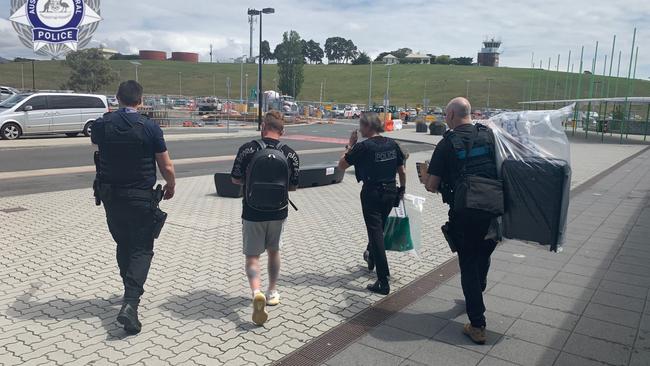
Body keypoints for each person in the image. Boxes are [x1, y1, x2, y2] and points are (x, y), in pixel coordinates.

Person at [92, 80, 176, 335]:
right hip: (140, 198)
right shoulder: (149, 127)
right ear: (140, 101)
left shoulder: (101, 125)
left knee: (124, 244)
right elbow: (166, 165)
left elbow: (99, 149)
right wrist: (171, 185)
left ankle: (128, 289)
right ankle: (130, 303)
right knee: (142, 249)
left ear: (117, 98)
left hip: (111, 198)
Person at [423, 97, 500, 345]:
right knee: (483, 255)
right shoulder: (489, 136)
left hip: (465, 213)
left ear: (453, 115)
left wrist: (426, 178)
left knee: (468, 264)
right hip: (492, 209)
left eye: (446, 115)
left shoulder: (446, 144)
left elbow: (432, 186)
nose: (445, 119)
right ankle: (477, 292)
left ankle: (477, 324)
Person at [231, 110, 300, 326]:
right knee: (274, 252)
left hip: (252, 211)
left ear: (263, 127)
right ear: (283, 130)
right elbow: (294, 186)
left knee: (252, 257)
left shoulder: (248, 149)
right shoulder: (290, 154)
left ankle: (256, 292)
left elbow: (235, 179)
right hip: (278, 212)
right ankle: (272, 292)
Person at [338, 112, 406, 295]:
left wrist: (350, 145)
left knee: (376, 234)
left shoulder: (363, 147)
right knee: (380, 228)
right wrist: (402, 189)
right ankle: (371, 253)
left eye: (361, 126)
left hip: (372, 193)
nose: (360, 130)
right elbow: (402, 169)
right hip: (391, 191)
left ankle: (383, 280)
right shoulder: (392, 144)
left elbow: (341, 165)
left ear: (368, 127)